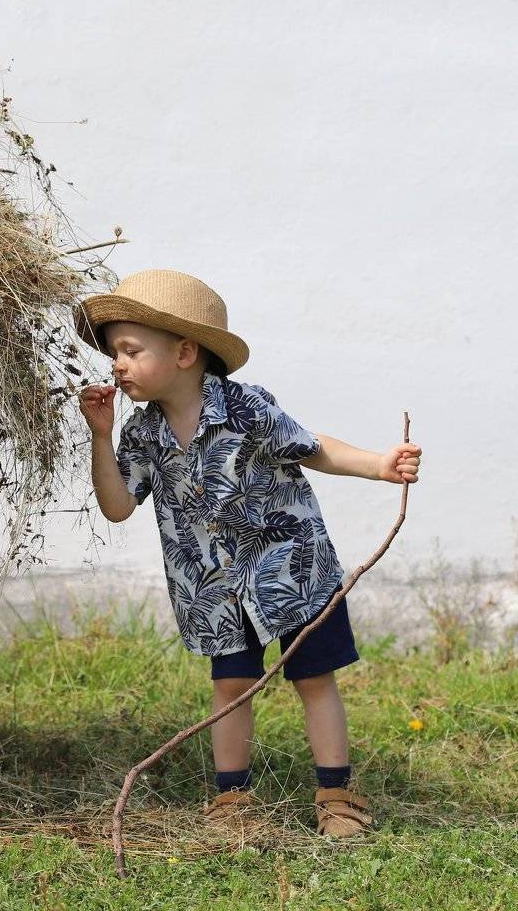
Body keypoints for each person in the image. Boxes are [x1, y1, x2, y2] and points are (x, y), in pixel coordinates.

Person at [76, 268, 421, 837]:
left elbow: (312, 448)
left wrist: (377, 466)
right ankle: (233, 801)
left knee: (314, 676)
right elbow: (117, 506)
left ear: (184, 353)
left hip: (291, 567)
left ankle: (336, 795)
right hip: (212, 588)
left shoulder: (246, 407)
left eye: (131, 351)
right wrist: (100, 435)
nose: (117, 365)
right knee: (231, 687)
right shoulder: (141, 434)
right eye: (115, 353)